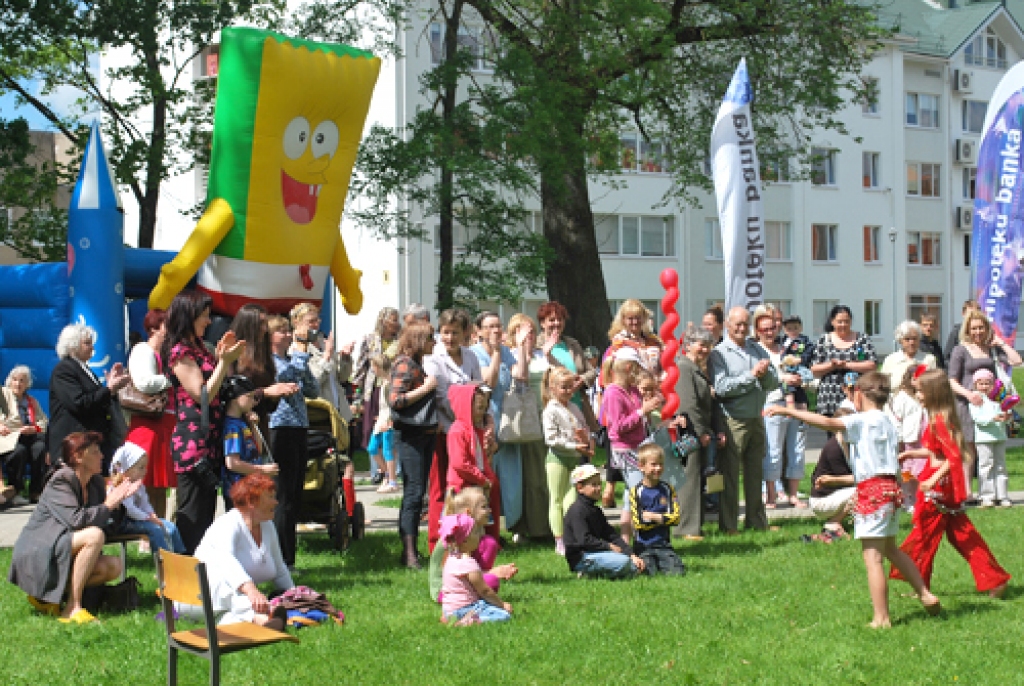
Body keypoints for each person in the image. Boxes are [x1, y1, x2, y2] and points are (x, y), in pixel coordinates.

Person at [765, 372, 941, 628]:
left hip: (872, 491)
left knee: (873, 559)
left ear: (859, 394)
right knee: (891, 549)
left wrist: (788, 412)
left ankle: (881, 618)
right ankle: (925, 594)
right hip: (892, 490)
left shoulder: (862, 421)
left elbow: (826, 422)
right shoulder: (888, 421)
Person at [889, 369, 1010, 599]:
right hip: (939, 483)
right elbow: (936, 451)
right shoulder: (938, 417)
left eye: (920, 391)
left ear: (933, 393)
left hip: (937, 487)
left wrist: (932, 480)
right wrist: (911, 454)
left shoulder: (940, 420)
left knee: (924, 534)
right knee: (962, 535)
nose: (918, 395)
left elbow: (954, 456)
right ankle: (994, 578)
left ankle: (921, 587)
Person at [8, 431, 141, 624]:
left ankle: (47, 599)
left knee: (113, 566)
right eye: (95, 452)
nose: (102, 456)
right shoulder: (61, 480)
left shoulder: (94, 482)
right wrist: (108, 505)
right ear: (78, 457)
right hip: (39, 550)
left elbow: (105, 524)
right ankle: (72, 607)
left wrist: (119, 503)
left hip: (62, 547)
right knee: (94, 536)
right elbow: (76, 521)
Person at [161, 291, 244, 554]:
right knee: (194, 516)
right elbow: (202, 393)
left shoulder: (198, 348)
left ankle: (201, 580)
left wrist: (222, 359)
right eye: (204, 316)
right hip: (193, 444)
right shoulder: (180, 352)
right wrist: (224, 362)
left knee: (206, 515)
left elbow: (218, 387)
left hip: (210, 438)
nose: (209, 321)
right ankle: (183, 580)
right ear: (189, 316)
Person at [178, 473, 293, 630]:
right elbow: (227, 562)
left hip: (225, 606)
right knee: (226, 586)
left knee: (229, 615)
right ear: (252, 502)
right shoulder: (227, 524)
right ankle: (265, 615)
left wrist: (294, 596)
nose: (276, 501)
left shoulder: (268, 526)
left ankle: (261, 621)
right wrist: (251, 591)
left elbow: (279, 570)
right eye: (271, 497)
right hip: (195, 598)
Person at [708, 306, 779, 534]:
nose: (741, 328)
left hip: (756, 418)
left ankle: (756, 521)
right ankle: (728, 525)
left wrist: (765, 374)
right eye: (737, 324)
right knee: (729, 475)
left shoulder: (757, 349)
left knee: (755, 472)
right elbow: (720, 388)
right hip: (732, 420)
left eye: (745, 324)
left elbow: (773, 383)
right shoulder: (719, 353)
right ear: (727, 325)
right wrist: (751, 376)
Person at [424, 309, 483, 552]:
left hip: (468, 429)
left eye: (455, 333)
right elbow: (443, 396)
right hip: (446, 429)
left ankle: (468, 536)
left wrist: (480, 416)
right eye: (445, 332)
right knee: (441, 486)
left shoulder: (470, 357)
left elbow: (479, 387)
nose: (449, 337)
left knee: (466, 484)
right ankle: (437, 542)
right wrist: (464, 416)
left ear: (465, 333)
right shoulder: (434, 360)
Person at [947, 308, 1021, 499]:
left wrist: (1001, 343)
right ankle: (967, 491)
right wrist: (969, 394)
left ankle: (992, 493)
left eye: (981, 328)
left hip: (992, 404)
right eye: (974, 329)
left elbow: (1017, 360)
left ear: (987, 328)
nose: (978, 332)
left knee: (990, 450)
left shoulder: (993, 349)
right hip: (966, 404)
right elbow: (952, 380)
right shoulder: (960, 350)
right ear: (968, 330)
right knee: (969, 449)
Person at [267, 314, 319, 572]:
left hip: (299, 427)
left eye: (289, 331)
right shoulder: (271, 362)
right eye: (282, 332)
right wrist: (300, 349)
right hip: (280, 428)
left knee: (295, 495)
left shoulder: (292, 360)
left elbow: (313, 390)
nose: (288, 335)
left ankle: (289, 557)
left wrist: (303, 364)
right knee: (283, 495)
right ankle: (283, 559)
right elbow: (285, 377)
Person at [388, 320, 439, 569]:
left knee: (417, 493)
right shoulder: (404, 363)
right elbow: (395, 400)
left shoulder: (417, 363)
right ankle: (409, 554)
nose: (435, 342)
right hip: (411, 437)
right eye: (430, 338)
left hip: (424, 434)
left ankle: (410, 551)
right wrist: (427, 388)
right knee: (414, 493)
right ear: (418, 339)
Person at [471, 311, 527, 530]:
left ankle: (511, 524)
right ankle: (484, 527)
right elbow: (490, 382)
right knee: (486, 473)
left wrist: (520, 347)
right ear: (479, 332)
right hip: (485, 419)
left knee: (511, 475)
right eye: (490, 327)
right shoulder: (473, 354)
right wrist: (495, 352)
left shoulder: (506, 350)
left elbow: (520, 375)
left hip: (508, 421)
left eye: (498, 326)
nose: (495, 330)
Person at [48, 323, 131, 468]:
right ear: (72, 345)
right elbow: (79, 403)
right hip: (75, 445)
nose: (92, 347)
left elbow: (96, 400)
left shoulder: (84, 369)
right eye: (87, 343)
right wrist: (109, 389)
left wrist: (110, 387)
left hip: (91, 441)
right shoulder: (64, 370)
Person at [603, 347, 661, 542]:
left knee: (630, 498)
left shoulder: (632, 390)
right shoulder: (613, 393)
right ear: (628, 368)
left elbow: (641, 417)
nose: (638, 374)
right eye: (636, 368)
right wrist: (641, 412)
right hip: (625, 450)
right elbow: (617, 427)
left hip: (638, 445)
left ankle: (626, 541)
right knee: (641, 494)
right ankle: (644, 540)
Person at [753, 305, 808, 510]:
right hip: (772, 403)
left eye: (772, 328)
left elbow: (804, 368)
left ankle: (793, 494)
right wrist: (782, 377)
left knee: (796, 449)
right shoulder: (755, 350)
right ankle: (771, 495)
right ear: (757, 330)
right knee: (773, 451)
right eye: (764, 329)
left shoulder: (787, 348)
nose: (769, 332)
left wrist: (801, 377)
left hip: (796, 403)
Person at [504, 313, 553, 540]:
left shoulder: (541, 355)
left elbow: (562, 378)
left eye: (532, 331)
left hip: (544, 418)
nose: (530, 336)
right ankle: (527, 527)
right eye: (523, 332)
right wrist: (522, 349)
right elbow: (521, 376)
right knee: (528, 476)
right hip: (524, 421)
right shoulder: (512, 355)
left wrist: (550, 355)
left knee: (542, 475)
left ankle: (544, 523)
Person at [675, 326, 726, 541]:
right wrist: (701, 432)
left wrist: (717, 430)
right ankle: (686, 528)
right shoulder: (684, 368)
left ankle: (696, 525)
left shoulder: (697, 368)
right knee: (690, 479)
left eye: (708, 345)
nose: (705, 349)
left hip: (701, 432)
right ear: (688, 345)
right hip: (690, 434)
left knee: (701, 479)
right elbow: (689, 405)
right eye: (701, 344)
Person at [125, 309, 175, 521]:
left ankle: (159, 529)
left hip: (163, 423)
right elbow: (143, 382)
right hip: (149, 425)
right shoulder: (143, 350)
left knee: (160, 485)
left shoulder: (163, 353)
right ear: (154, 328)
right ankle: (147, 531)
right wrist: (172, 379)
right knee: (145, 483)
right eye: (167, 325)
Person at [429, 486, 518, 603]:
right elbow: (454, 571)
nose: (489, 510)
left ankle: (478, 587)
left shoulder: (475, 530)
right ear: (469, 512)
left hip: (463, 579)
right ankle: (478, 591)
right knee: (491, 581)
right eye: (484, 507)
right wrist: (491, 573)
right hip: (446, 591)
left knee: (489, 543)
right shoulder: (454, 535)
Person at [542, 366, 593, 556]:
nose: (568, 391)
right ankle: (559, 540)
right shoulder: (550, 410)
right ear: (553, 388)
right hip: (557, 459)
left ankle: (570, 536)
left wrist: (588, 441)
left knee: (571, 501)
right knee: (555, 499)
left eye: (571, 387)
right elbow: (550, 438)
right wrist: (573, 445)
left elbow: (583, 427)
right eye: (564, 387)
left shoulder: (573, 407)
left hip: (574, 458)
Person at [563, 464, 644, 578]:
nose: (599, 488)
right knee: (624, 562)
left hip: (596, 553)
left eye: (599, 484)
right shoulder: (577, 511)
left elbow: (611, 534)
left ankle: (601, 572)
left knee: (631, 561)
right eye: (594, 485)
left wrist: (631, 555)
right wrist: (609, 546)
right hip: (582, 557)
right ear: (580, 487)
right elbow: (584, 540)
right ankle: (588, 572)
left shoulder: (596, 510)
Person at [446, 383, 501, 540]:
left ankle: (483, 546)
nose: (482, 412)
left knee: (479, 521)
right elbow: (459, 464)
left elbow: (482, 459)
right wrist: (482, 479)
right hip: (462, 486)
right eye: (479, 407)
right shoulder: (458, 430)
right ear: (465, 406)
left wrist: (490, 480)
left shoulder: (476, 430)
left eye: (484, 408)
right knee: (464, 525)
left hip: (477, 484)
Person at [108, 442, 185, 553]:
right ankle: (163, 559)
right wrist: (148, 518)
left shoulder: (139, 485)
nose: (145, 471)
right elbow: (130, 510)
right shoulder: (121, 486)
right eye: (141, 468)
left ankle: (180, 555)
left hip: (139, 519)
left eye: (145, 467)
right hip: (124, 522)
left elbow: (145, 503)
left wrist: (152, 514)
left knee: (170, 526)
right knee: (156, 530)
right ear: (127, 469)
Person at [438, 514, 512, 625]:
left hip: (448, 609)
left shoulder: (451, 558)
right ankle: (467, 621)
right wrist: (502, 605)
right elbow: (484, 591)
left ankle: (450, 617)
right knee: (504, 615)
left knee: (487, 605)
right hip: (465, 608)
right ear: (464, 541)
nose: (480, 535)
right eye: (476, 532)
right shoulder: (468, 563)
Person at [537, 300, 598, 429]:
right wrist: (547, 354)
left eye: (560, 319)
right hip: (551, 406)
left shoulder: (572, 344)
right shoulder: (536, 346)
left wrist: (582, 379)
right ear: (543, 323)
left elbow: (592, 371)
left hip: (576, 404)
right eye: (552, 320)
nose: (557, 323)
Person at [290, 302, 356, 420]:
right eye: (311, 321)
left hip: (339, 412)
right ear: (297, 323)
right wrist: (326, 357)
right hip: (319, 415)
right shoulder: (296, 349)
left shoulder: (322, 342)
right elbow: (313, 382)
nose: (316, 324)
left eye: (318, 320)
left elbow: (342, 377)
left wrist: (345, 358)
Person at [810, 305, 878, 419]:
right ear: (832, 322)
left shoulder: (862, 339)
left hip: (856, 395)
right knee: (833, 435)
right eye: (839, 321)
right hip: (830, 397)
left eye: (846, 321)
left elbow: (872, 365)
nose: (843, 325)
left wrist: (846, 364)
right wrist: (832, 366)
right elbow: (814, 370)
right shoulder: (824, 340)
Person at [352, 307, 401, 462]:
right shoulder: (370, 339)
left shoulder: (400, 341)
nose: (396, 323)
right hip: (373, 390)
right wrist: (357, 396)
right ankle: (377, 470)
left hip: (392, 388)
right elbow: (361, 367)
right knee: (371, 430)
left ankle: (393, 470)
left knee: (390, 429)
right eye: (393, 319)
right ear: (383, 321)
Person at [628, 444, 684, 576]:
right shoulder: (636, 492)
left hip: (663, 544)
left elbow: (676, 518)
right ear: (641, 466)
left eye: (660, 464)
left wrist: (653, 516)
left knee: (677, 573)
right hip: (643, 546)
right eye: (653, 464)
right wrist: (665, 518)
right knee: (647, 572)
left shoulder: (668, 489)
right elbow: (639, 523)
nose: (658, 468)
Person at [221, 375, 279, 500]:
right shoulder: (232, 427)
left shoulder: (242, 423)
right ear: (235, 398)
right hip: (238, 491)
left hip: (250, 488)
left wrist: (254, 426)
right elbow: (232, 463)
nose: (254, 401)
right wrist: (262, 470)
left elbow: (257, 450)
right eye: (250, 396)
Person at [1, 366, 48, 504]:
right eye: (15, 380)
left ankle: (36, 491)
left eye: (22, 381)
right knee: (18, 451)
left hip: (29, 435)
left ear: (27, 384)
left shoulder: (31, 401)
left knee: (39, 448)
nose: (18, 384)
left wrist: (34, 428)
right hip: (9, 437)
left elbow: (43, 422)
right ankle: (16, 491)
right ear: (9, 382)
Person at [805, 414, 855, 543]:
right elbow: (848, 480)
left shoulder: (849, 445)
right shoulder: (834, 448)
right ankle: (833, 523)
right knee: (863, 489)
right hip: (821, 501)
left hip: (833, 495)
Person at [968, 369, 1011, 508]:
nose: (984, 386)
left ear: (993, 384)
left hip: (999, 436)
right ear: (975, 384)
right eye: (981, 383)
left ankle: (1002, 495)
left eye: (988, 383)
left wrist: (1007, 416)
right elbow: (977, 418)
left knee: (1000, 466)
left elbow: (1005, 411)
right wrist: (993, 418)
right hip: (984, 438)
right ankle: (986, 496)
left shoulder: (998, 397)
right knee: (986, 466)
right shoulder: (975, 399)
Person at [886, 366, 928, 509]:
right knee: (908, 471)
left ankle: (918, 498)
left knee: (921, 469)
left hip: (924, 437)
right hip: (909, 438)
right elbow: (897, 418)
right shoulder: (902, 397)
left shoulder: (925, 394)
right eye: (915, 378)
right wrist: (900, 439)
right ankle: (907, 498)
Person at [602, 299, 663, 382]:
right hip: (630, 391)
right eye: (630, 318)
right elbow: (609, 373)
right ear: (623, 320)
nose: (635, 322)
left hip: (653, 390)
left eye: (638, 317)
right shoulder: (618, 344)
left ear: (644, 318)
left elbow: (663, 367)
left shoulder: (654, 342)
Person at [367, 355, 399, 493]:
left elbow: (393, 405)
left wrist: (391, 422)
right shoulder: (384, 383)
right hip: (381, 420)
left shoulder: (390, 384)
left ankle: (392, 481)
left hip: (388, 422)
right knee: (372, 448)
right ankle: (387, 474)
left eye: (374, 367)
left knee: (387, 451)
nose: (373, 370)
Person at [880, 320, 937, 392]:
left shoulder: (929, 359)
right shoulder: (890, 360)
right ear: (900, 340)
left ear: (919, 339)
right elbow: (883, 386)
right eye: (907, 339)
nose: (912, 342)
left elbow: (933, 386)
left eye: (914, 338)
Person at [945, 300, 980, 368]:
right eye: (970, 314)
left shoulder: (984, 331)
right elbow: (947, 358)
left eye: (977, 314)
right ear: (963, 314)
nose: (973, 317)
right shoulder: (956, 331)